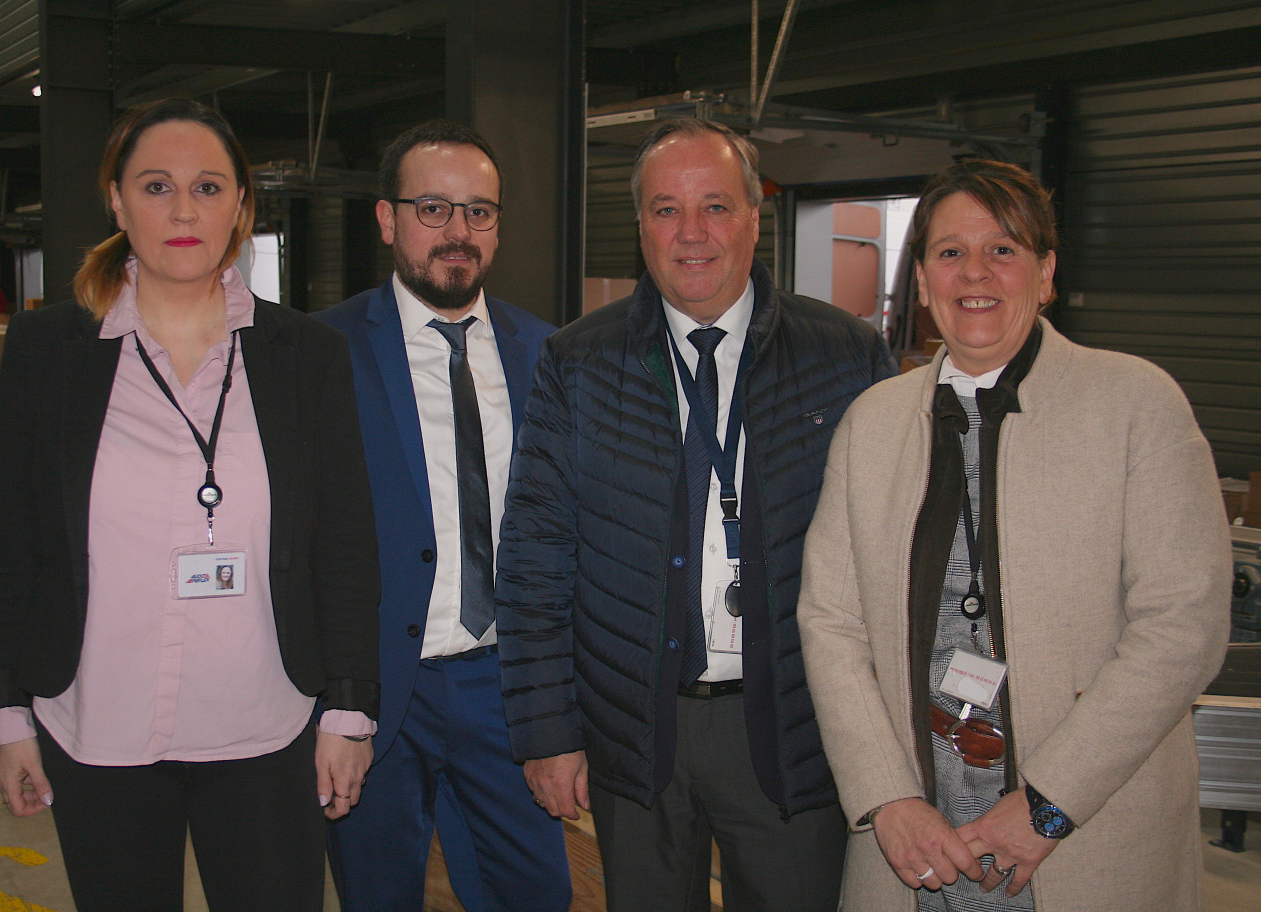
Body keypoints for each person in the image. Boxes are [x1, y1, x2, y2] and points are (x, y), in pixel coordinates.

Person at [0, 98, 381, 912]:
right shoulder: (50, 351)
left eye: (207, 186)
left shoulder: (307, 355)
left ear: (239, 207)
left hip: (266, 723)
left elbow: (344, 544)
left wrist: (351, 711)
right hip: (99, 725)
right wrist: (5, 715)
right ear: (118, 202)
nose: (184, 209)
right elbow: (10, 544)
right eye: (156, 186)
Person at [796, 159, 1231, 912]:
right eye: (950, 252)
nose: (977, 274)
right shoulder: (872, 424)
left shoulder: (1136, 405)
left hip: (1083, 835)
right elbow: (831, 622)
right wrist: (884, 796)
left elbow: (1184, 626)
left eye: (1004, 249)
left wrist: (1049, 804)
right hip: (915, 843)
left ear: (1047, 271)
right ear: (925, 282)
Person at [495, 117, 896, 912]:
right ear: (640, 225)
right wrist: (548, 730)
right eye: (666, 210)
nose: (692, 235)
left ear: (755, 217)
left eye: (715, 206)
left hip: (793, 728)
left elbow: (885, 554)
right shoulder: (578, 362)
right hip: (637, 735)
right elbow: (536, 555)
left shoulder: (845, 358)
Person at [314, 120, 571, 912]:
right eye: (434, 209)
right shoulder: (322, 352)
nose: (459, 233)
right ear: (388, 221)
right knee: (377, 895)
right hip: (379, 691)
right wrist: (334, 704)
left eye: (480, 212)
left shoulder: (550, 354)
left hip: (508, 690)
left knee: (535, 894)